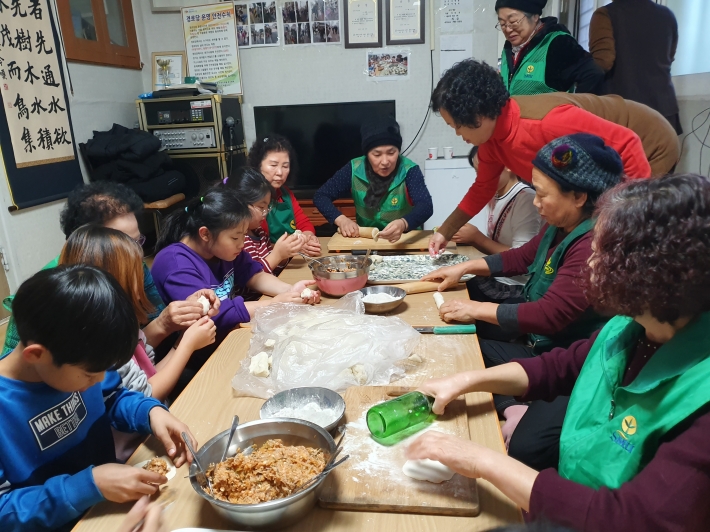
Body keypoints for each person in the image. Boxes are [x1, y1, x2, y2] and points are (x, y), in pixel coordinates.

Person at [408, 173, 710, 532]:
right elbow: (560, 367)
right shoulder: (632, 327)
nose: (590, 263)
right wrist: (466, 381)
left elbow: (630, 519)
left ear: (655, 272)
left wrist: (479, 460)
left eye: (603, 253)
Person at [423, 134, 622, 468]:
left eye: (542, 194)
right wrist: (465, 267)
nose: (535, 202)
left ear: (578, 196)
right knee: (467, 349)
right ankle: (513, 406)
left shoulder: (590, 243)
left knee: (526, 450)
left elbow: (549, 316)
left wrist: (478, 309)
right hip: (539, 349)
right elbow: (522, 257)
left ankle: (526, 409)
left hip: (566, 360)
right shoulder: (558, 225)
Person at [0, 265, 196, 531]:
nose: (99, 380)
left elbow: (113, 397)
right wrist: (86, 486)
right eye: (90, 375)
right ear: (37, 355)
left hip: (110, 505)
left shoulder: (79, 360)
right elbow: (4, 510)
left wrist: (150, 412)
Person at [428, 59, 679, 256]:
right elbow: (483, 188)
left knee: (620, 235)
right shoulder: (492, 142)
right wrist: (445, 231)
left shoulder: (548, 121)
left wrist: (626, 218)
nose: (458, 135)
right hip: (606, 153)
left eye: (457, 126)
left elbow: (627, 142)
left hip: (646, 141)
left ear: (479, 114)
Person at [1, 181, 206, 358]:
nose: (136, 253)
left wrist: (172, 318)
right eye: (125, 243)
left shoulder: (134, 264)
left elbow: (138, 348)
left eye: (137, 242)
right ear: (86, 242)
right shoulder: (46, 294)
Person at [151, 187, 319, 358]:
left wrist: (289, 292)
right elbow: (213, 314)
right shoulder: (176, 264)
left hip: (225, 339)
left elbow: (253, 274)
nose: (242, 244)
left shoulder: (220, 249)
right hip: (192, 357)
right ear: (205, 234)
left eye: (244, 236)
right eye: (235, 237)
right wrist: (274, 305)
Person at [59, 225, 217, 403]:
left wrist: (181, 339)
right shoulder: (102, 339)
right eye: (136, 272)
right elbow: (146, 397)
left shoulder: (122, 319)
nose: (142, 277)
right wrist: (187, 345)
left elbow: (149, 372)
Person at [313, 116, 434, 242]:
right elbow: (321, 196)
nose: (385, 161)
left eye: (391, 153)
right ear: (366, 154)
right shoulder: (353, 168)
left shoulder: (409, 170)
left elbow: (425, 206)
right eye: (377, 154)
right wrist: (341, 220)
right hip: (367, 242)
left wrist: (403, 223)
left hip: (403, 241)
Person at [452, 146, 541, 301]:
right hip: (498, 275)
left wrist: (477, 238)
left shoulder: (526, 198)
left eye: (486, 170)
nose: (481, 178)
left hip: (516, 285)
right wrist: (470, 238)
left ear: (507, 165)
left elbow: (523, 259)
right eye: (477, 172)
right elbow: (493, 248)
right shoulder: (495, 196)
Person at [589, 0, 682, 135]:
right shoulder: (667, 15)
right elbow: (669, 57)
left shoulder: (605, 15)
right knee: (661, 155)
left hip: (626, 113)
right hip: (665, 111)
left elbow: (603, 62)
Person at [496, 0, 603, 95]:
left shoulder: (558, 44)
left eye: (513, 22)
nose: (508, 29)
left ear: (535, 16)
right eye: (502, 24)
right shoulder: (509, 50)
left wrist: (575, 111)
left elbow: (593, 73)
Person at [224, 167, 305, 282]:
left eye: (268, 207)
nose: (266, 212)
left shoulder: (260, 232)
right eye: (261, 207)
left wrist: (285, 255)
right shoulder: (240, 241)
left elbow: (272, 269)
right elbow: (250, 279)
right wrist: (277, 255)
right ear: (240, 204)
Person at [246, 134, 320, 256]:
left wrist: (308, 238)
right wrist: (293, 248)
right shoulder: (252, 198)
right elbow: (257, 247)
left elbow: (304, 223)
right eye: (273, 165)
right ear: (258, 165)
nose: (280, 172)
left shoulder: (285, 193)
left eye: (285, 166)